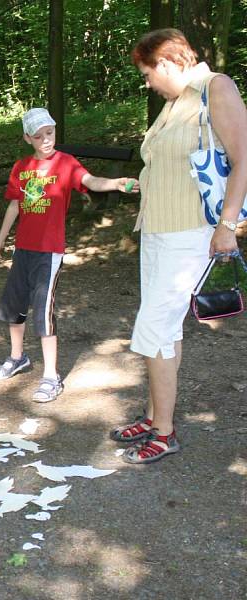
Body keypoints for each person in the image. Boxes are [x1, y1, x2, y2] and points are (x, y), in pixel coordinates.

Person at [109, 29, 247, 464]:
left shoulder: (215, 87)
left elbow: (243, 156)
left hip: (191, 233)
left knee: (151, 328)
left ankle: (164, 433)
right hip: (157, 230)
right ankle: (154, 417)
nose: (148, 83)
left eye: (148, 73)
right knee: (164, 331)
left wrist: (227, 225)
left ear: (167, 63)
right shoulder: (175, 104)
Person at [0, 107, 138, 402]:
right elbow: (15, 205)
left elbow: (90, 181)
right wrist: (0, 240)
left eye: (50, 133)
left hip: (49, 251)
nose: (46, 140)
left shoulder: (65, 163)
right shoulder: (22, 167)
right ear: (27, 138)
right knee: (14, 304)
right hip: (23, 249)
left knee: (43, 312)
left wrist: (115, 183)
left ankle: (51, 376)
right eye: (39, 135)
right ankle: (17, 357)